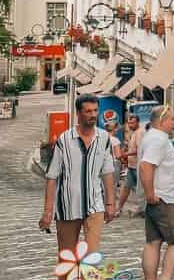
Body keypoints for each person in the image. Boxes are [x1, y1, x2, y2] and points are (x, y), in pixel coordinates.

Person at [41, 94, 117, 254]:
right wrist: (48, 211)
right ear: (79, 113)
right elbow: (52, 177)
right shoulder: (64, 140)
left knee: (92, 256)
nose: (93, 115)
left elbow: (108, 172)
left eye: (96, 110)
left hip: (95, 205)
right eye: (88, 111)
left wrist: (110, 203)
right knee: (67, 258)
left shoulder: (103, 138)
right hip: (67, 207)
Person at [137, 105, 174, 280]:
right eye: (171, 119)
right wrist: (151, 194)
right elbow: (146, 166)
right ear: (161, 121)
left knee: (153, 242)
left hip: (159, 197)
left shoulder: (151, 137)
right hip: (166, 198)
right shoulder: (158, 139)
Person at [113, 112, 142, 218]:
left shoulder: (140, 133)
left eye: (132, 123)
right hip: (131, 166)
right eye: (129, 123)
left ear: (138, 122)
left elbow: (139, 150)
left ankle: (143, 209)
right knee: (126, 187)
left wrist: (125, 154)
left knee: (140, 189)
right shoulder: (132, 133)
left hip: (138, 166)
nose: (130, 125)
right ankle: (118, 208)